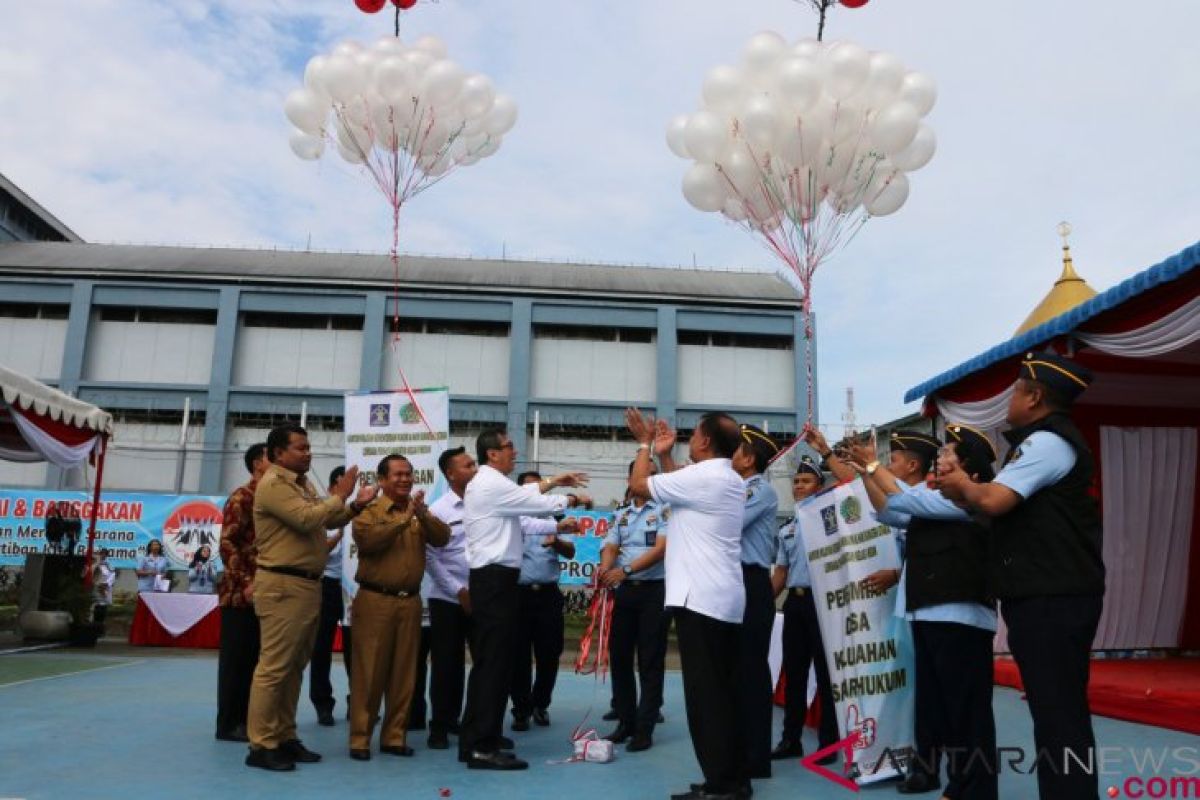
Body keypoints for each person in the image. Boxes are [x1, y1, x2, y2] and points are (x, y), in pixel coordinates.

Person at [938, 352, 1104, 800]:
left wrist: (963, 485)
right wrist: (965, 492)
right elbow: (992, 508)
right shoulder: (1037, 443)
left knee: (1059, 715)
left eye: (1014, 390)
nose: (1009, 399)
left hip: (1054, 596)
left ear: (1033, 397)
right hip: (1044, 594)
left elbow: (993, 501)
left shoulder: (1047, 442)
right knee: (1054, 713)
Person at [865, 423, 1000, 800]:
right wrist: (865, 471)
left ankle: (977, 789)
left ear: (970, 470)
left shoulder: (967, 498)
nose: (938, 461)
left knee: (966, 711)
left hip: (960, 618)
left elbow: (906, 499)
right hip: (929, 616)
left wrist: (874, 468)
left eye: (947, 456)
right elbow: (890, 509)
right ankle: (959, 785)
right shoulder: (934, 500)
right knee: (939, 707)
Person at [625, 408, 747, 800]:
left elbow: (639, 485)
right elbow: (678, 484)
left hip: (700, 600)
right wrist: (664, 456)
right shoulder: (724, 478)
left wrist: (644, 443)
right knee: (723, 695)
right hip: (721, 598)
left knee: (706, 698)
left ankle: (720, 786)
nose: (688, 438)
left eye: (694, 434)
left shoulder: (703, 477)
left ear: (706, 441)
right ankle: (733, 778)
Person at [245, 424, 376, 772]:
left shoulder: (299, 484)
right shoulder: (273, 485)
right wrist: (342, 493)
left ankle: (285, 736)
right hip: (283, 584)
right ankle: (261, 743)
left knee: (294, 667)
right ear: (277, 454)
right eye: (300, 448)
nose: (308, 453)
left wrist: (355, 507)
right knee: (274, 668)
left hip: (304, 585)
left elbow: (327, 516)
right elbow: (307, 520)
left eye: (308, 447)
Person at [458, 428, 590, 771]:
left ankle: (476, 737)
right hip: (495, 581)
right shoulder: (490, 483)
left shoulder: (492, 484)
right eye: (508, 447)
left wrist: (555, 487)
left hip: (494, 581)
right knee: (495, 663)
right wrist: (571, 500)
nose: (514, 452)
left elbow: (526, 514)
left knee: (491, 662)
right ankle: (482, 747)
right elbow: (535, 502)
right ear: (493, 454)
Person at [348, 454, 451, 761]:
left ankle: (394, 736)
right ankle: (360, 739)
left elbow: (443, 538)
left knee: (404, 674)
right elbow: (369, 542)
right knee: (370, 671)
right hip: (375, 599)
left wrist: (423, 514)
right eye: (398, 475)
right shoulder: (368, 509)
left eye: (409, 474)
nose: (405, 479)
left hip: (410, 601)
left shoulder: (418, 511)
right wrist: (405, 519)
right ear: (381, 480)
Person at [769, 456, 839, 763]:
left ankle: (829, 742)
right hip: (795, 604)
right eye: (796, 482)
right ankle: (790, 740)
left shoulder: (831, 522)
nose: (799, 486)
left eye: (806, 481)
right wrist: (761, 604)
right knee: (795, 674)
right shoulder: (787, 528)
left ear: (820, 487)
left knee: (826, 676)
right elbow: (781, 574)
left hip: (823, 603)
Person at [599, 461, 669, 752]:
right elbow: (611, 545)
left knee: (650, 661)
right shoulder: (622, 514)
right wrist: (606, 571)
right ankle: (626, 721)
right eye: (644, 474)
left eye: (654, 474)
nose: (649, 479)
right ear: (631, 478)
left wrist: (624, 570)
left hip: (655, 592)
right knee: (620, 657)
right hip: (625, 592)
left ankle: (644, 728)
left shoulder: (665, 509)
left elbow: (662, 548)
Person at [509, 470, 580, 732]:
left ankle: (540, 704)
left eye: (539, 488)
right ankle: (520, 709)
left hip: (548, 594)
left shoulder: (556, 518)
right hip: (518, 595)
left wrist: (557, 543)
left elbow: (571, 552)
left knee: (550, 653)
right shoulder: (511, 519)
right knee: (517, 655)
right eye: (528, 488)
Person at [731, 423, 781, 781]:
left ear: (748, 458)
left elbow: (728, 523)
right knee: (735, 671)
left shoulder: (759, 490)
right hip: (734, 583)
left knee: (750, 671)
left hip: (752, 582)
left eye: (734, 449)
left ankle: (756, 757)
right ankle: (739, 750)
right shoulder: (735, 487)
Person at [426, 446, 478, 750]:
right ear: (451, 474)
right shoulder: (439, 511)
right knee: (447, 665)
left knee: (483, 663)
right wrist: (458, 591)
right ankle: (440, 726)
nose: (474, 468)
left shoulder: (483, 504)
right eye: (468, 465)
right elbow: (431, 558)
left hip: (481, 596)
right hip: (448, 599)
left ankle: (468, 721)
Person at [216, 441, 268, 744]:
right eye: (269, 458)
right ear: (257, 463)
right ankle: (229, 723)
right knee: (237, 661)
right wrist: (246, 582)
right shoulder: (242, 497)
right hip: (241, 594)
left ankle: (251, 720)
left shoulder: (273, 497)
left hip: (268, 592)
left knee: (258, 662)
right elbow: (228, 543)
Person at [309, 466, 351, 727]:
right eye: (343, 483)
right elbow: (317, 551)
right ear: (332, 488)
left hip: (353, 589)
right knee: (321, 648)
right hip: (326, 586)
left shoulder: (363, 510)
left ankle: (357, 701)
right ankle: (323, 704)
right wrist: (338, 535)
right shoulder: (321, 513)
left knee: (356, 649)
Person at [92, 548, 116, 626]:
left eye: (104, 554)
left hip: (105, 587)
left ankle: (100, 624)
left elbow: (112, 575)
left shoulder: (110, 564)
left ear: (106, 555)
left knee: (103, 605)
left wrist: (105, 584)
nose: (102, 555)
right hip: (95, 586)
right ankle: (94, 623)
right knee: (95, 604)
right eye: (101, 554)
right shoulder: (95, 563)